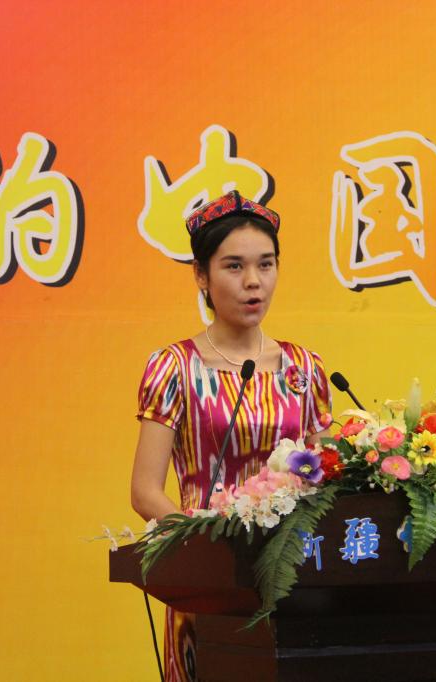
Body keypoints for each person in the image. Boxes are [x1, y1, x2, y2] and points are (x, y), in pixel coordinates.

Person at [131, 191, 332, 681]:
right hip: (209, 586)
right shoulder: (174, 367)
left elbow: (327, 476)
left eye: (266, 264)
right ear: (201, 276)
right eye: (234, 266)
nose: (253, 282)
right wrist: (206, 547)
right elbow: (144, 491)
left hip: (296, 579)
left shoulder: (305, 368)